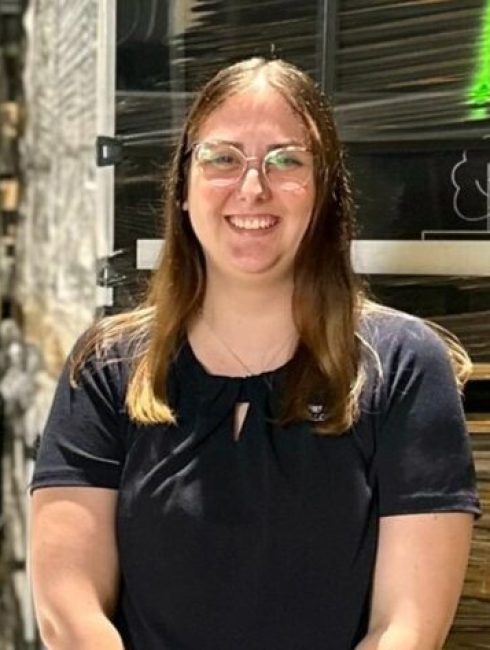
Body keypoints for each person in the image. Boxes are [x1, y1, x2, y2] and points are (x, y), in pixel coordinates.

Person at [29, 57, 481, 650]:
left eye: (285, 160)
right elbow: (69, 610)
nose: (252, 187)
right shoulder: (107, 367)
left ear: (324, 196)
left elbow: (406, 629)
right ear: (184, 191)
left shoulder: (403, 364)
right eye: (222, 158)